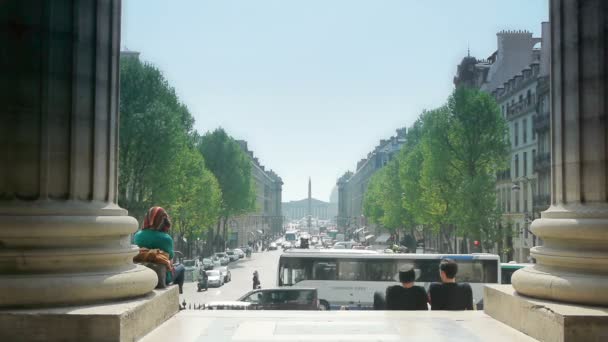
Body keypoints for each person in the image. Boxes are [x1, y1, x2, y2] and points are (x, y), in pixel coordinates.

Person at [133, 206, 185, 294]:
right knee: (181, 268)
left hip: (141, 274)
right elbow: (170, 262)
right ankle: (178, 295)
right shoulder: (166, 238)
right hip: (162, 277)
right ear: (161, 221)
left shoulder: (137, 235)